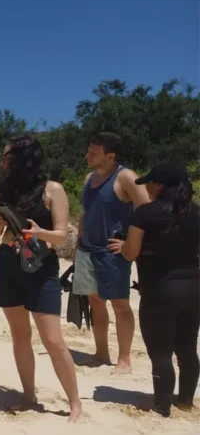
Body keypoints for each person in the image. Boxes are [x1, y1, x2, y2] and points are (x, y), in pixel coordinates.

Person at [0, 135, 83, 422]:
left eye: (9, 157)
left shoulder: (52, 190)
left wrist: (39, 233)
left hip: (41, 267)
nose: (3, 162)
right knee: (19, 335)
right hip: (7, 264)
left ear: (24, 159)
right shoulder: (6, 190)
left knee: (53, 340)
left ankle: (75, 402)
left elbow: (62, 234)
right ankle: (29, 395)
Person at [108, 161, 200, 417]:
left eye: (149, 182)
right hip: (194, 287)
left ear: (159, 185)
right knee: (187, 349)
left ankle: (162, 407)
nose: (146, 186)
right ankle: (185, 400)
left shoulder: (144, 214)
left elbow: (131, 253)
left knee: (160, 352)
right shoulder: (195, 212)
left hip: (160, 289)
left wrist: (124, 245)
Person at [73, 132, 149, 372]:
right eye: (88, 150)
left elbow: (147, 211)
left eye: (94, 153)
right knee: (95, 302)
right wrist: (77, 246)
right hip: (87, 249)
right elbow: (85, 213)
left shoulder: (125, 177)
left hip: (112, 252)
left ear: (110, 156)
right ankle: (101, 352)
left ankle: (124, 359)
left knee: (120, 304)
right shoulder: (88, 178)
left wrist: (129, 243)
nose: (87, 155)